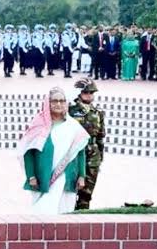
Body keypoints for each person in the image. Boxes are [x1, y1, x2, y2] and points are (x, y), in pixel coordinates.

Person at [19, 87, 89, 215]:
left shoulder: (73, 125)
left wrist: (82, 176)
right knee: (42, 212)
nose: (58, 104)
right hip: (43, 177)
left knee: (64, 212)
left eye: (62, 101)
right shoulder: (38, 124)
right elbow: (28, 153)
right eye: (54, 101)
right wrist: (31, 176)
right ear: (48, 103)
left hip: (67, 175)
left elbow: (80, 151)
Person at [69, 78, 106, 210]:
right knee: (71, 189)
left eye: (91, 93)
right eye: (86, 92)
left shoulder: (98, 112)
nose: (89, 95)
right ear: (79, 93)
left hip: (93, 154)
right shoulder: (70, 111)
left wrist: (100, 157)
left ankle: (83, 215)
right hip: (75, 152)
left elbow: (101, 136)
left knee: (87, 192)